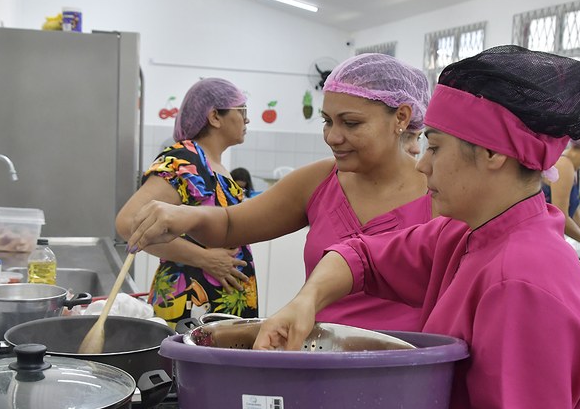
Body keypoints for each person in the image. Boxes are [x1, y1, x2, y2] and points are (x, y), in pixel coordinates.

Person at [253, 46, 580, 409]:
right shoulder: (467, 236)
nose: (421, 163)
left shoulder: (522, 282)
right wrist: (305, 302)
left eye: (435, 147)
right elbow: (364, 256)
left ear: (494, 154)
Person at [126, 53, 433, 331]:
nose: (333, 136)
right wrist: (185, 216)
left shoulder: (438, 194)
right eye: (327, 121)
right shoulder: (319, 181)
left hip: (406, 365)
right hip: (321, 356)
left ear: (402, 118)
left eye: (351, 123)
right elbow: (232, 225)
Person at [115, 77, 258, 325]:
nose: (247, 119)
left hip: (216, 311)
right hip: (189, 307)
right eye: (241, 110)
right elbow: (128, 223)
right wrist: (203, 258)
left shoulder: (214, 166)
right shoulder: (184, 161)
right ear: (215, 117)